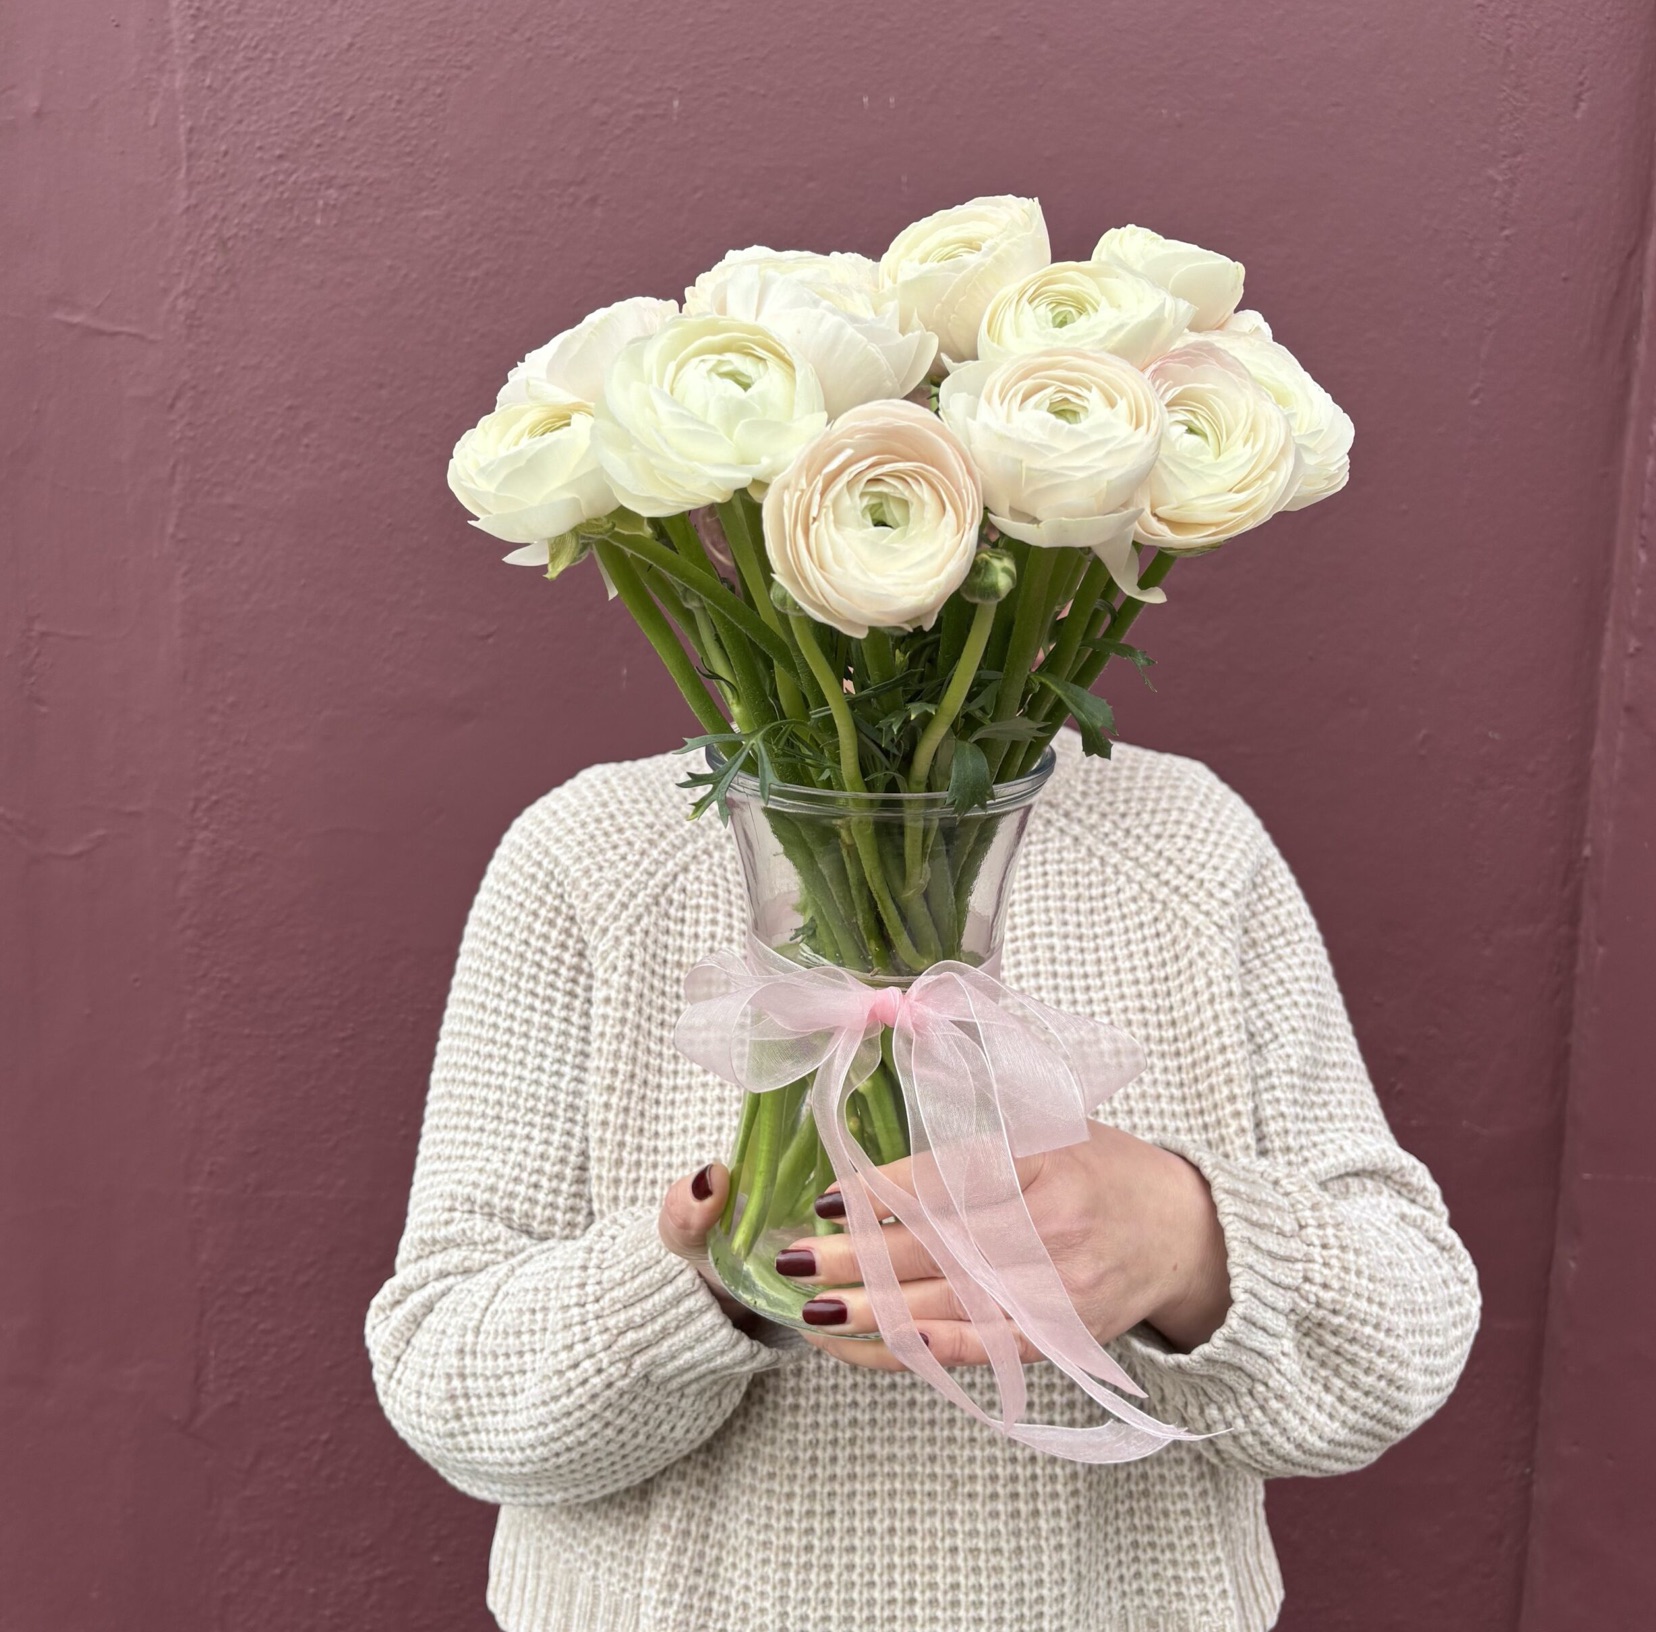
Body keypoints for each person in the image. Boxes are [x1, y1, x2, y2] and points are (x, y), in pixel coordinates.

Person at [366, 730, 1480, 1632]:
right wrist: (709, 1286)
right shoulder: (591, 854)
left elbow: (1408, 1326)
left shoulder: (1187, 840)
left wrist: (1189, 1244)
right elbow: (442, 1376)